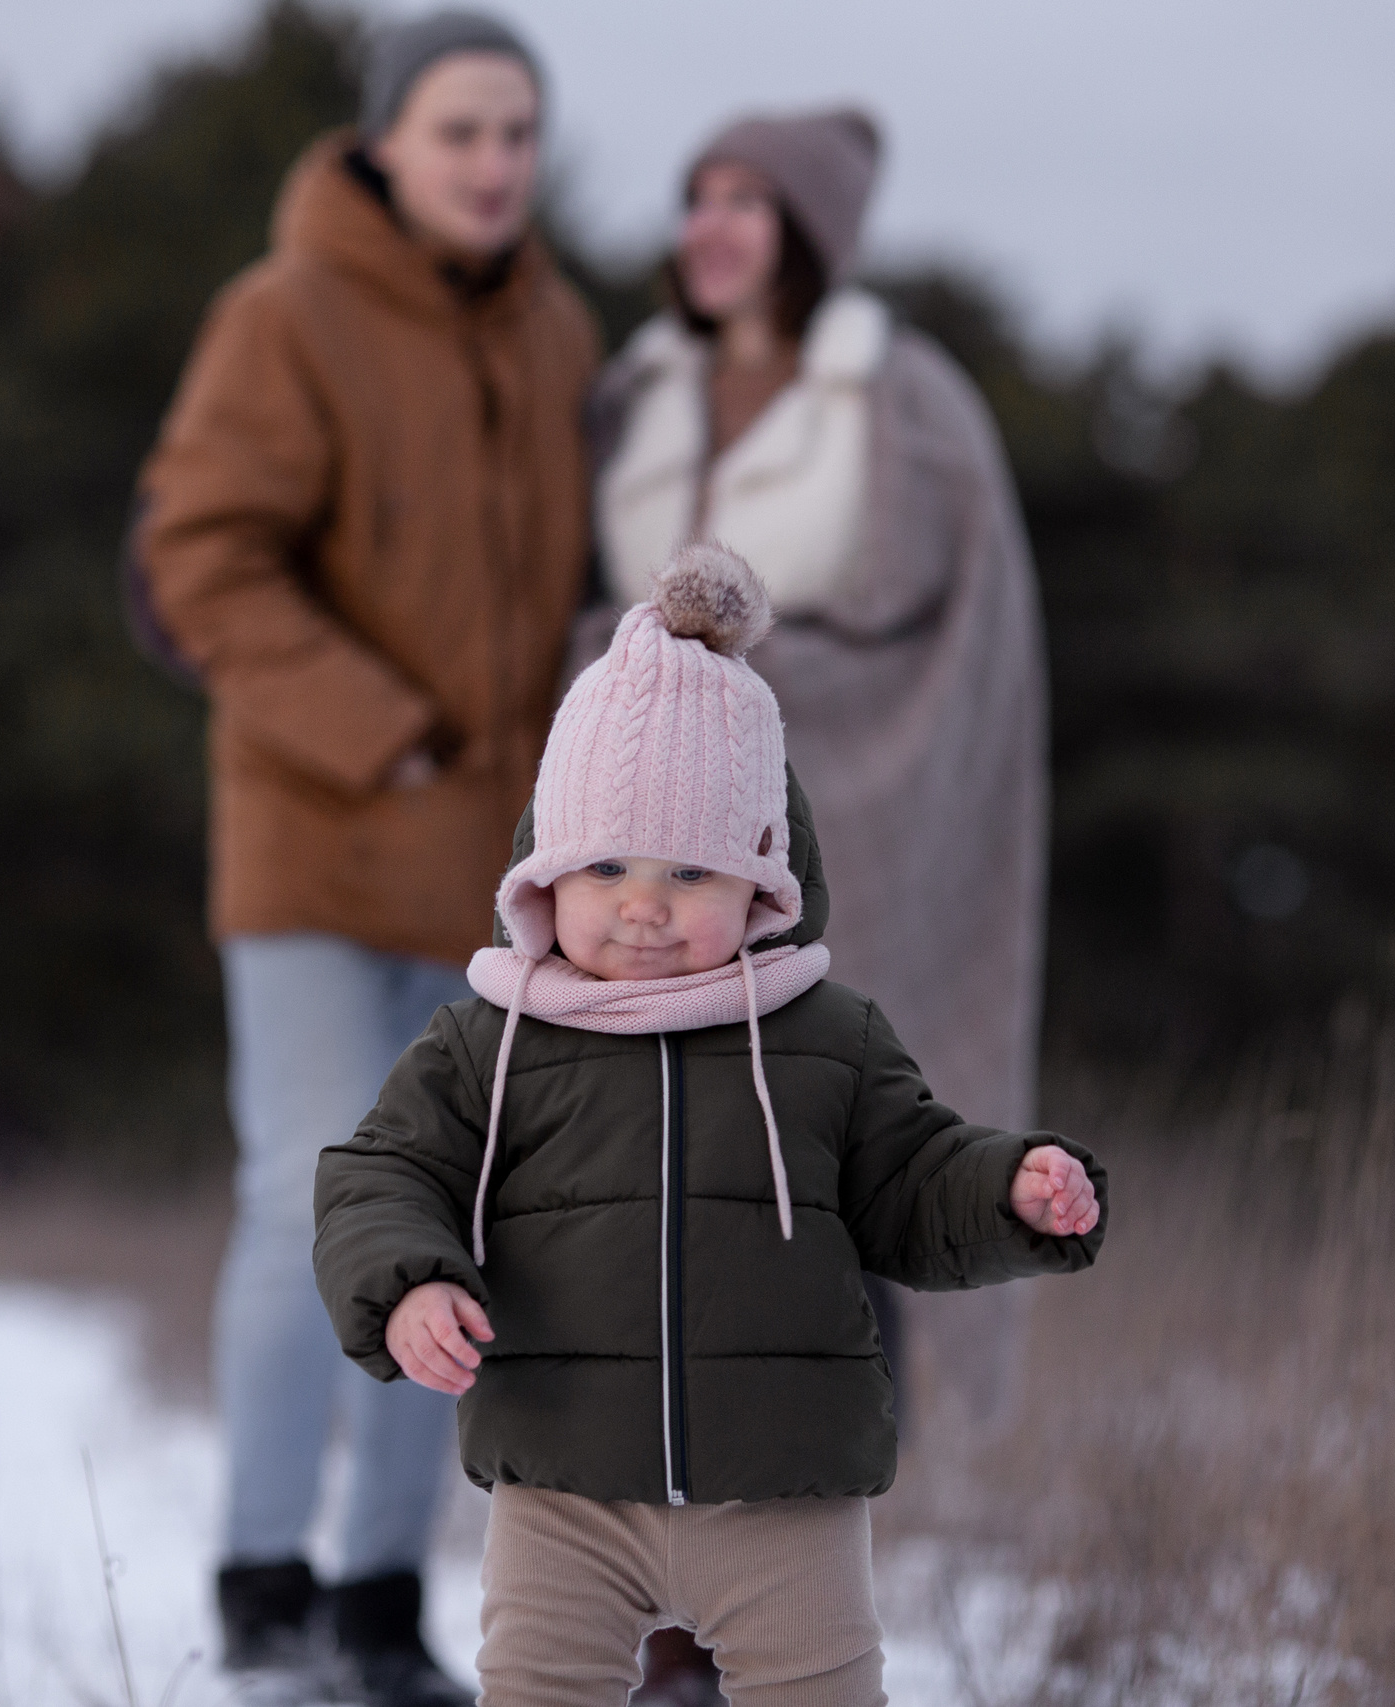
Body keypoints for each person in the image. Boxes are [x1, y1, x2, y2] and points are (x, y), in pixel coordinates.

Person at [314, 544, 1107, 1707]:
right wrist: (410, 1284)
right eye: (607, 867)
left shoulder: (826, 1036)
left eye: (691, 869)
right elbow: (378, 1175)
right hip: (563, 1484)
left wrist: (1006, 1193)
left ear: (763, 881)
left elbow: (913, 1180)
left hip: (781, 1487)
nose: (644, 904)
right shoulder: (494, 1040)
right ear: (544, 876)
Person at [132, 10, 598, 1703]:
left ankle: (378, 1607)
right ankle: (262, 1596)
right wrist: (380, 726)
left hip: (493, 874)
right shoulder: (285, 311)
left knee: (457, 1222)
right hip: (317, 844)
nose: (493, 163)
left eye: (519, 134)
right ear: (390, 143)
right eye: (463, 129)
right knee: (317, 1188)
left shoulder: (561, 339)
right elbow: (200, 557)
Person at [588, 109, 1053, 1699]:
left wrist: (738, 686)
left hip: (855, 841)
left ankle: (782, 1613)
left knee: (822, 1216)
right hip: (649, 885)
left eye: (751, 200)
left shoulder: (904, 400)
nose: (714, 224)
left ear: (815, 229)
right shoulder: (635, 393)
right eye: (697, 194)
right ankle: (656, 1626)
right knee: (652, 1221)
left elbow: (943, 627)